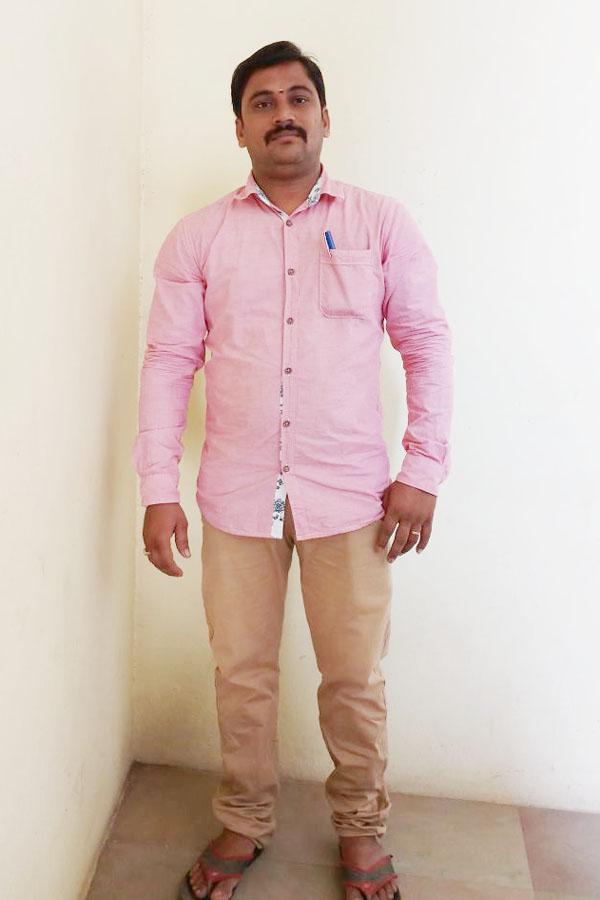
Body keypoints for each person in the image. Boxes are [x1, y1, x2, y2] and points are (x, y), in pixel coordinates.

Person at [132, 40, 453, 900]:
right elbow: (168, 361)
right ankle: (244, 819)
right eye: (263, 103)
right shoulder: (198, 238)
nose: (284, 114)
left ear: (324, 117)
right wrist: (158, 488)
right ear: (240, 128)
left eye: (298, 98)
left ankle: (362, 828)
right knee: (240, 675)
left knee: (354, 679)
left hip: (353, 495)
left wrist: (423, 468)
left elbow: (425, 343)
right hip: (239, 495)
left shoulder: (381, 223)